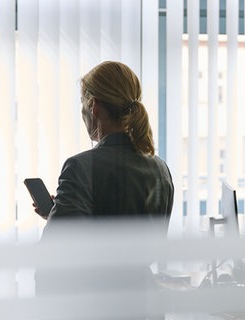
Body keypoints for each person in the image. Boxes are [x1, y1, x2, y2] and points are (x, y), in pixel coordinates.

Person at [34, 61, 174, 320]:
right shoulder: (160, 169)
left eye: (82, 103)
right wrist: (59, 212)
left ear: (94, 106)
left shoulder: (80, 167)